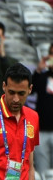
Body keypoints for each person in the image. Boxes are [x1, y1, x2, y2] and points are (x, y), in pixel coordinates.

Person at [31, 43, 53, 173]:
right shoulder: (42, 77)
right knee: (42, 171)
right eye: (51, 53)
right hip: (41, 131)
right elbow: (29, 89)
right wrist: (38, 70)